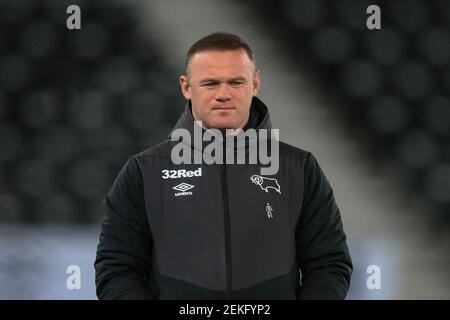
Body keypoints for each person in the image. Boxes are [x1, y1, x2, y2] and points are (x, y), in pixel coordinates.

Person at [94, 32, 353, 300]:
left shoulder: (300, 168)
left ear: (255, 84)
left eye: (235, 82)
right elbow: (116, 270)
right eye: (210, 83)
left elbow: (329, 264)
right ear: (186, 86)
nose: (223, 94)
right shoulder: (144, 171)